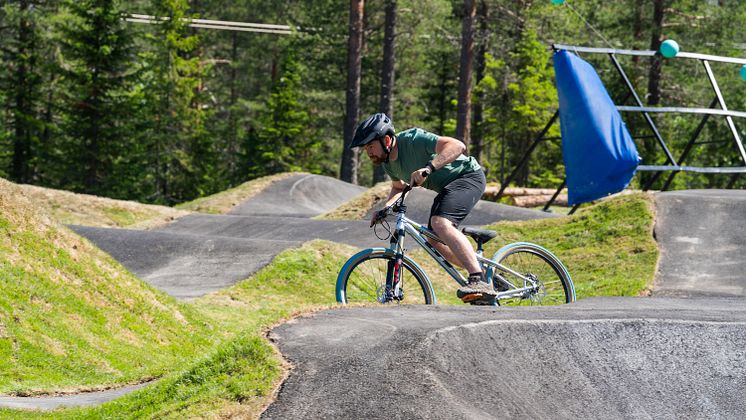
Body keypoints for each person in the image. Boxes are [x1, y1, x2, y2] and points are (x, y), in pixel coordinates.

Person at [349, 112, 496, 303]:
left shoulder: (413, 139)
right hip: (447, 188)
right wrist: (385, 209)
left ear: (386, 140)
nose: (368, 153)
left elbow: (458, 146)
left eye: (370, 146)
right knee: (433, 239)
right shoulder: (388, 165)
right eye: (365, 148)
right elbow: (399, 187)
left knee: (440, 223)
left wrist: (429, 168)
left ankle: (478, 279)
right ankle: (484, 271)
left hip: (468, 177)